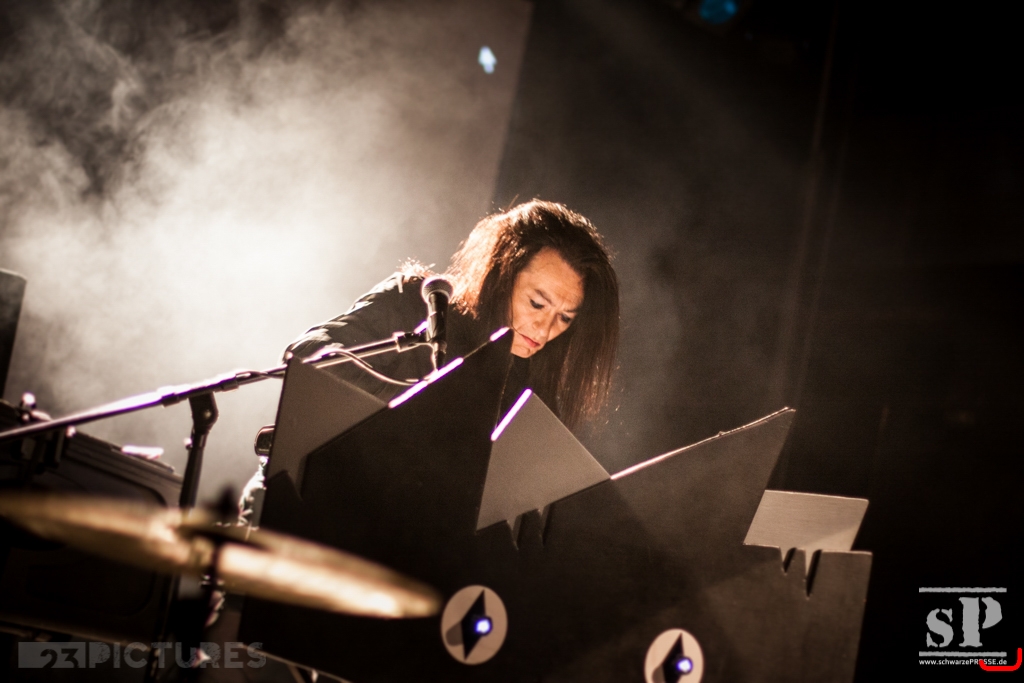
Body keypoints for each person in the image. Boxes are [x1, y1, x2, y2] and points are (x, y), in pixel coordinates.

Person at [286, 199, 620, 432]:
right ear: (501, 274)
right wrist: (421, 407)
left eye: (565, 318)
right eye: (536, 303)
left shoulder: (533, 390)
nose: (544, 330)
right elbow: (308, 353)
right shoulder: (417, 302)